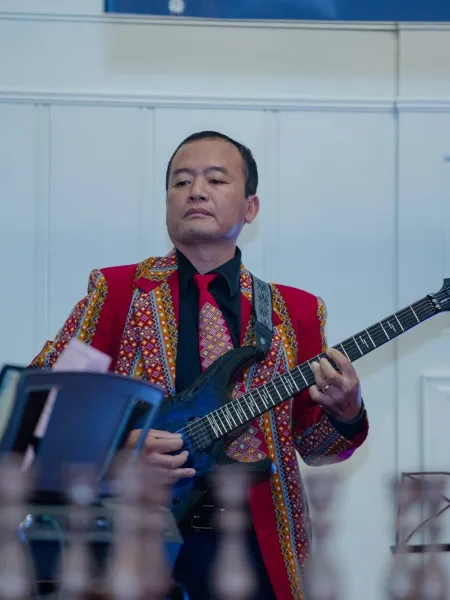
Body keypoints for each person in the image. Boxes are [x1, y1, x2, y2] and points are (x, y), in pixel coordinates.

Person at [30, 131, 369, 600]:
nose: (196, 191)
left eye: (216, 179)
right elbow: (42, 409)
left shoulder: (296, 312)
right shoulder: (116, 295)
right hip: (134, 543)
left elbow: (317, 448)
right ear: (167, 203)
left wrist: (347, 411)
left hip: (259, 545)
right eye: (181, 181)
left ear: (250, 208)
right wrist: (118, 448)